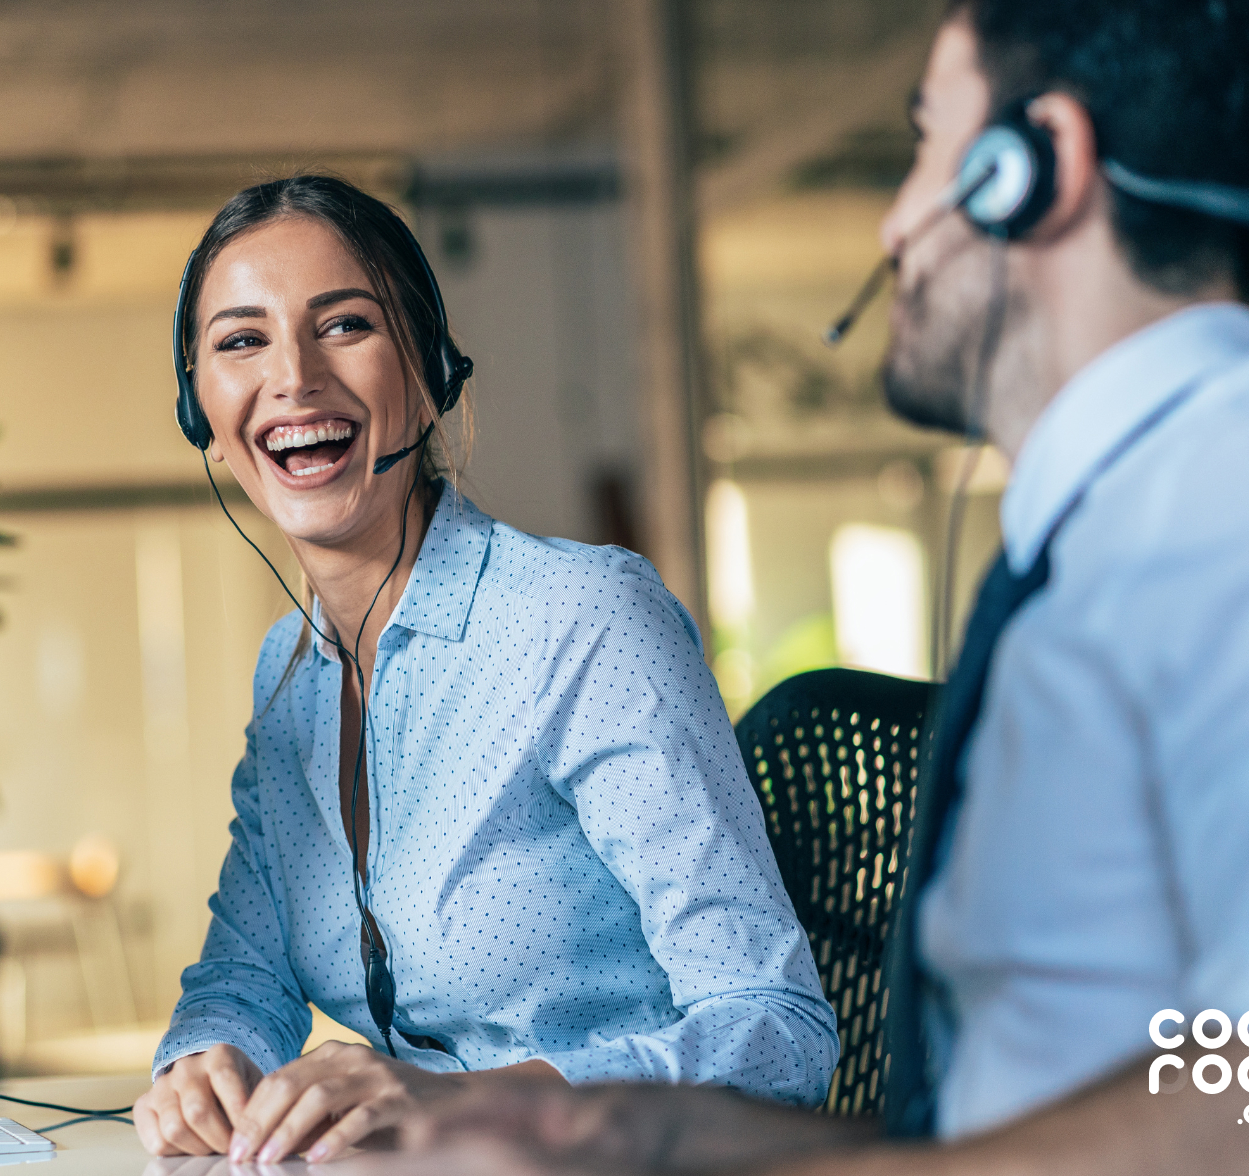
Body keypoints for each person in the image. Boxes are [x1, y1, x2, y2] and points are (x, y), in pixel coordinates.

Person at [356, 2, 1249, 1173]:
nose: (895, 221)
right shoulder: (1117, 534)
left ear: (1029, 167)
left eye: (923, 148)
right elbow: (1034, 1112)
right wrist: (628, 1128)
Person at [129, 175, 839, 1164]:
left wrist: (459, 1103)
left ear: (430, 371)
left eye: (344, 326)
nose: (293, 377)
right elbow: (245, 968)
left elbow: (775, 1035)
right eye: (242, 341)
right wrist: (203, 1059)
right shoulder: (289, 672)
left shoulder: (582, 620)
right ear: (198, 408)